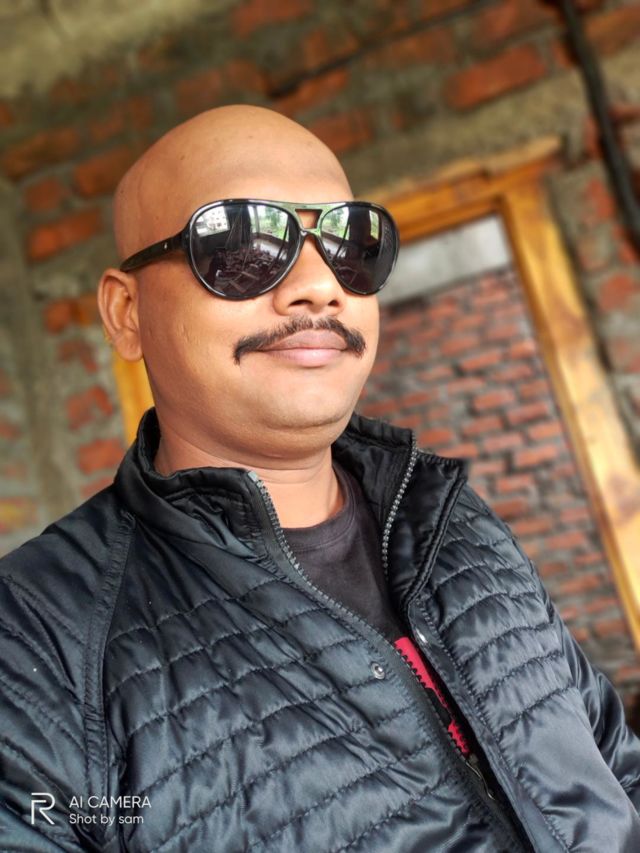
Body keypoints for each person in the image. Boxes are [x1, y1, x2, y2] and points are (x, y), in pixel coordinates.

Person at [1, 105, 639, 853]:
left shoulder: (448, 520)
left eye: (348, 243)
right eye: (241, 243)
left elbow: (613, 763)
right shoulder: (34, 640)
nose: (319, 285)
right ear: (126, 312)